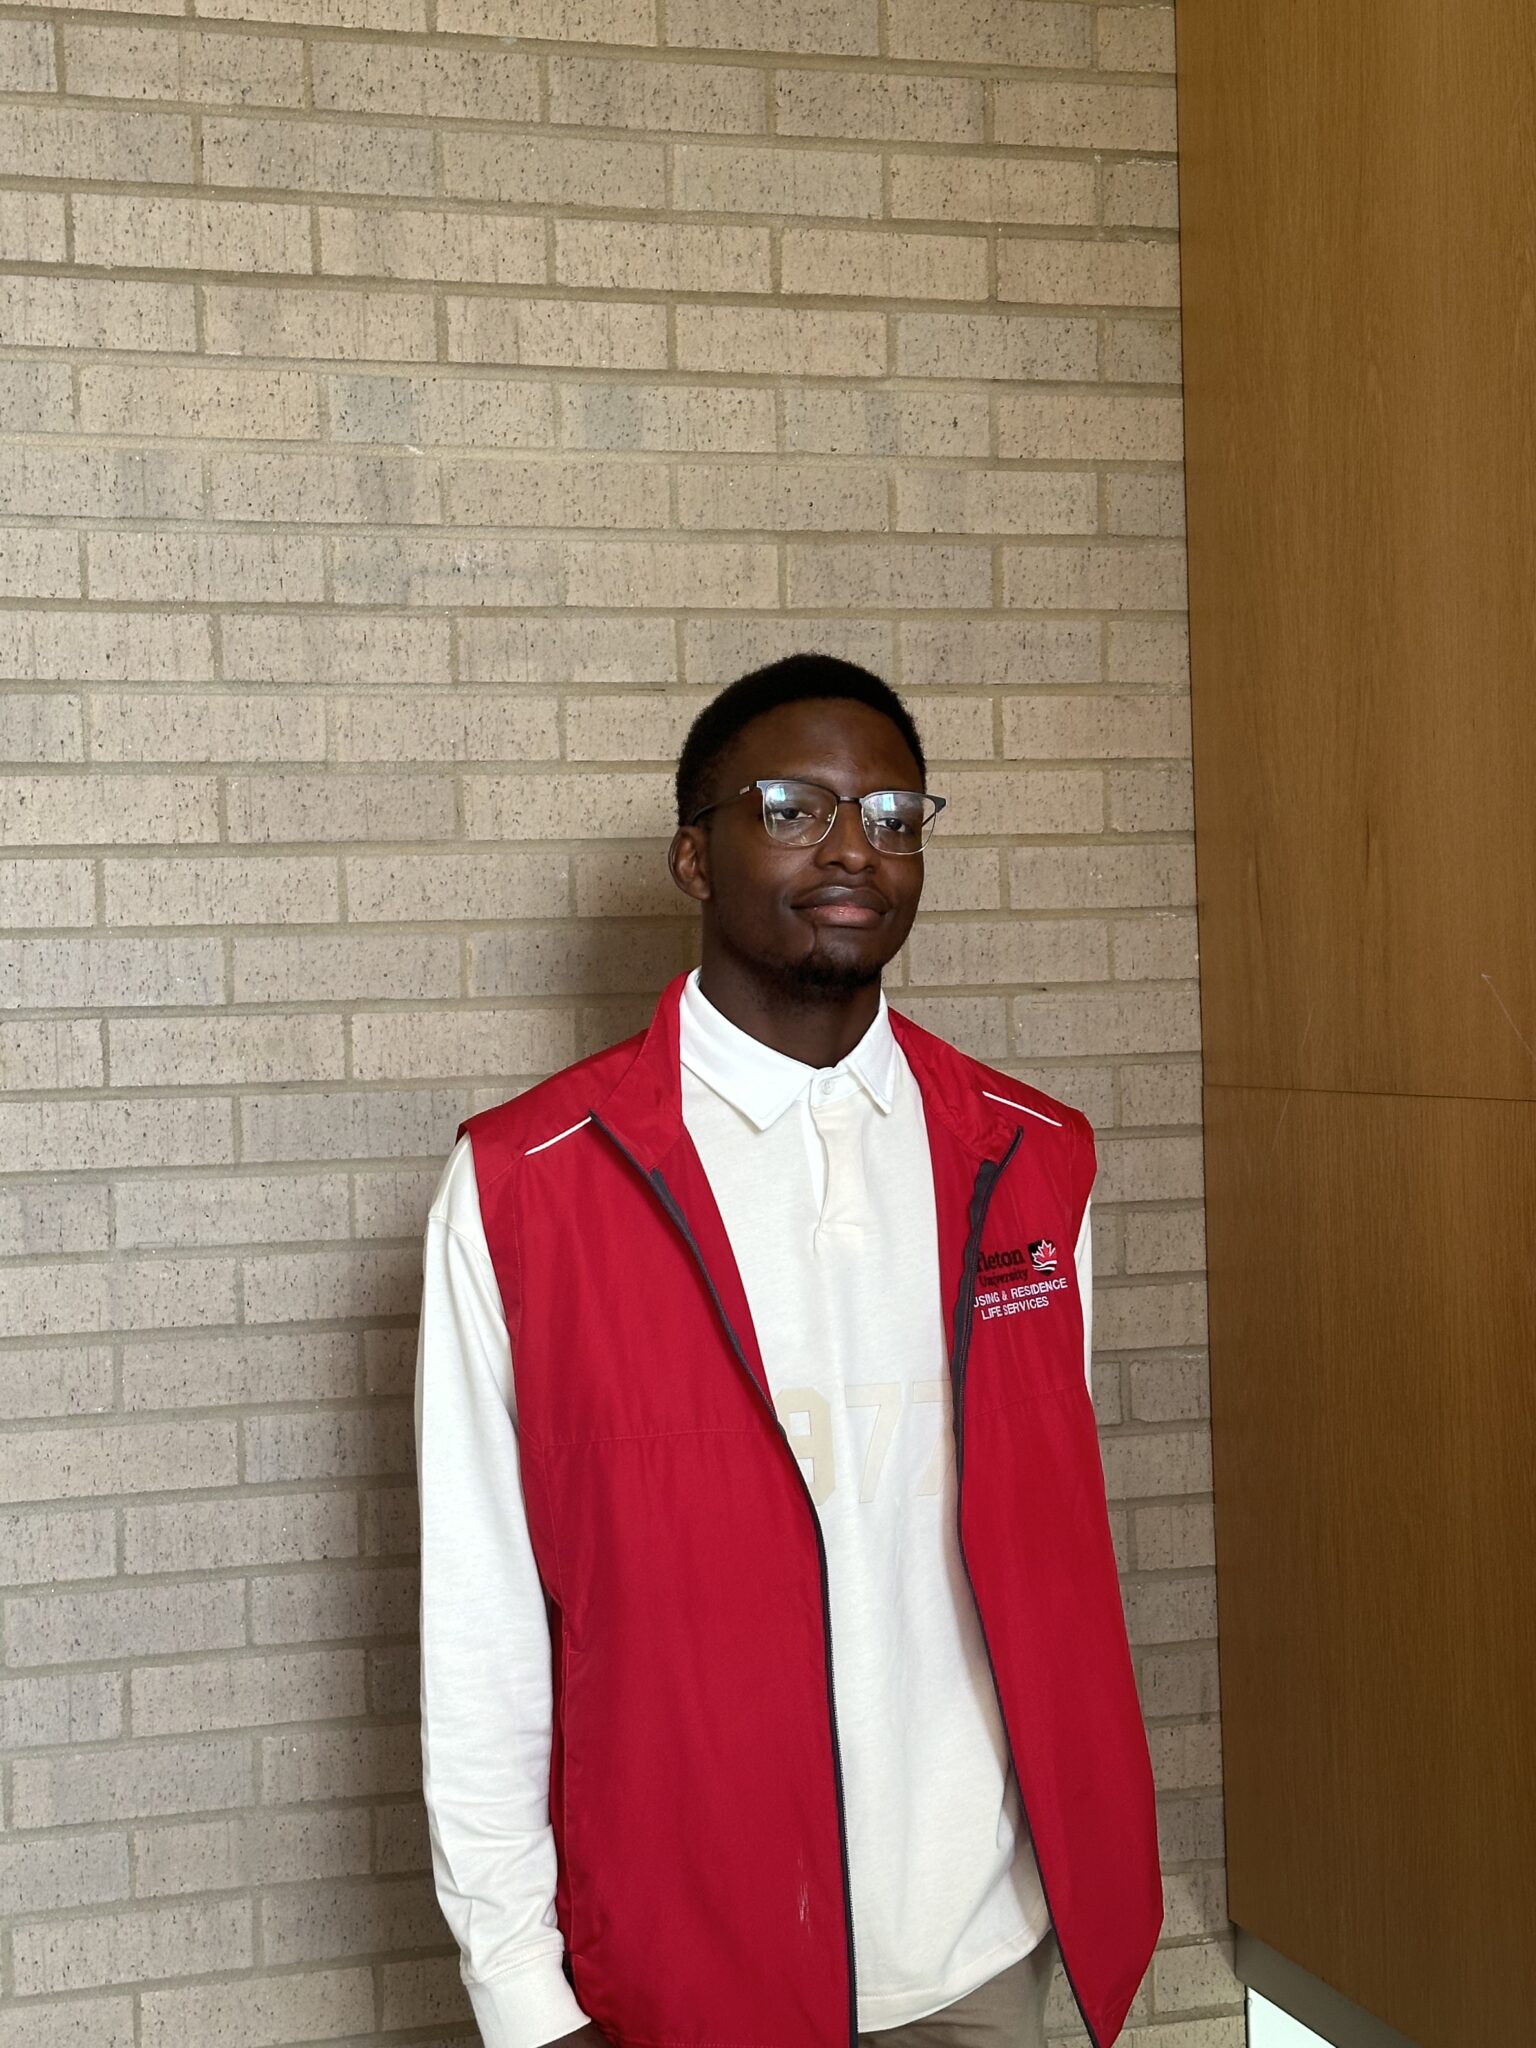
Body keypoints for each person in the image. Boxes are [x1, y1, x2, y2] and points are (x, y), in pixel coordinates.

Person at [414, 653, 1162, 2048]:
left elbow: (1046, 1544)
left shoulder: (1033, 1158)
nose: (853, 850)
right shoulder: (527, 1187)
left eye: (892, 816)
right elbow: (482, 1623)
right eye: (792, 809)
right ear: (694, 855)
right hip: (690, 1960)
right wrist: (521, 1992)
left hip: (987, 1945)